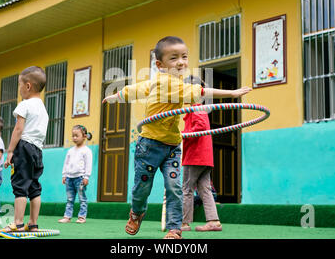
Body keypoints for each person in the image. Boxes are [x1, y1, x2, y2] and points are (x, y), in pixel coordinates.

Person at [102, 36, 252, 239]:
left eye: (184, 56)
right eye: (174, 58)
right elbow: (201, 91)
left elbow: (137, 89)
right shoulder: (168, 83)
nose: (181, 62)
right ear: (160, 65)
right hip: (149, 145)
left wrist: (117, 96)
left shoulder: (176, 84)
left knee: (174, 188)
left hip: (172, 146)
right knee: (142, 187)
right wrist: (232, 93)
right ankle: (137, 212)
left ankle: (175, 228)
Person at [3, 66, 49, 232]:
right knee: (34, 187)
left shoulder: (25, 105)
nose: (19, 89)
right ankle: (33, 223)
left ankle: (18, 222)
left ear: (28, 86)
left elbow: (18, 129)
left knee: (20, 185)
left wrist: (10, 151)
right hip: (37, 149)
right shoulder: (43, 109)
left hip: (23, 147)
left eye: (19, 85)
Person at [181, 75, 222, 232]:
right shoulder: (199, 109)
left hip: (195, 157)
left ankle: (184, 223)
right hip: (204, 157)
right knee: (205, 189)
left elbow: (199, 129)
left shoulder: (196, 109)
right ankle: (214, 221)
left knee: (186, 189)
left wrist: (184, 134)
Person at [58, 125, 93, 224]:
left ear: (84, 136)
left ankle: (82, 216)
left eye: (77, 135)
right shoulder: (70, 151)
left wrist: (86, 177)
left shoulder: (87, 151)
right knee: (69, 199)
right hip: (69, 178)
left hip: (80, 178)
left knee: (82, 198)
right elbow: (66, 163)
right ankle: (67, 216)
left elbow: (88, 164)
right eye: (73, 136)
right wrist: (64, 175)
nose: (74, 138)